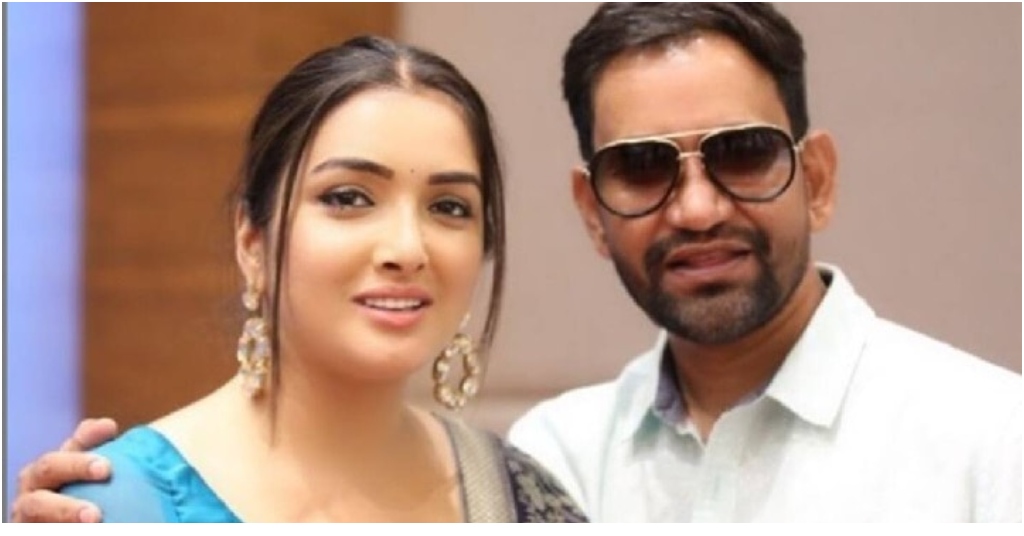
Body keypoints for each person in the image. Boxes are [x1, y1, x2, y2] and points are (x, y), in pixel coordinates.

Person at [12, 3, 1022, 523]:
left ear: (819, 177)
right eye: (641, 167)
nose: (697, 205)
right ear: (591, 210)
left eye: (743, 153)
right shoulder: (558, 459)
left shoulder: (990, 441)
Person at [10, 34, 586, 523]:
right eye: (348, 198)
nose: (408, 249)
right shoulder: (115, 508)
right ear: (252, 242)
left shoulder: (524, 501)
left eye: (449, 207)